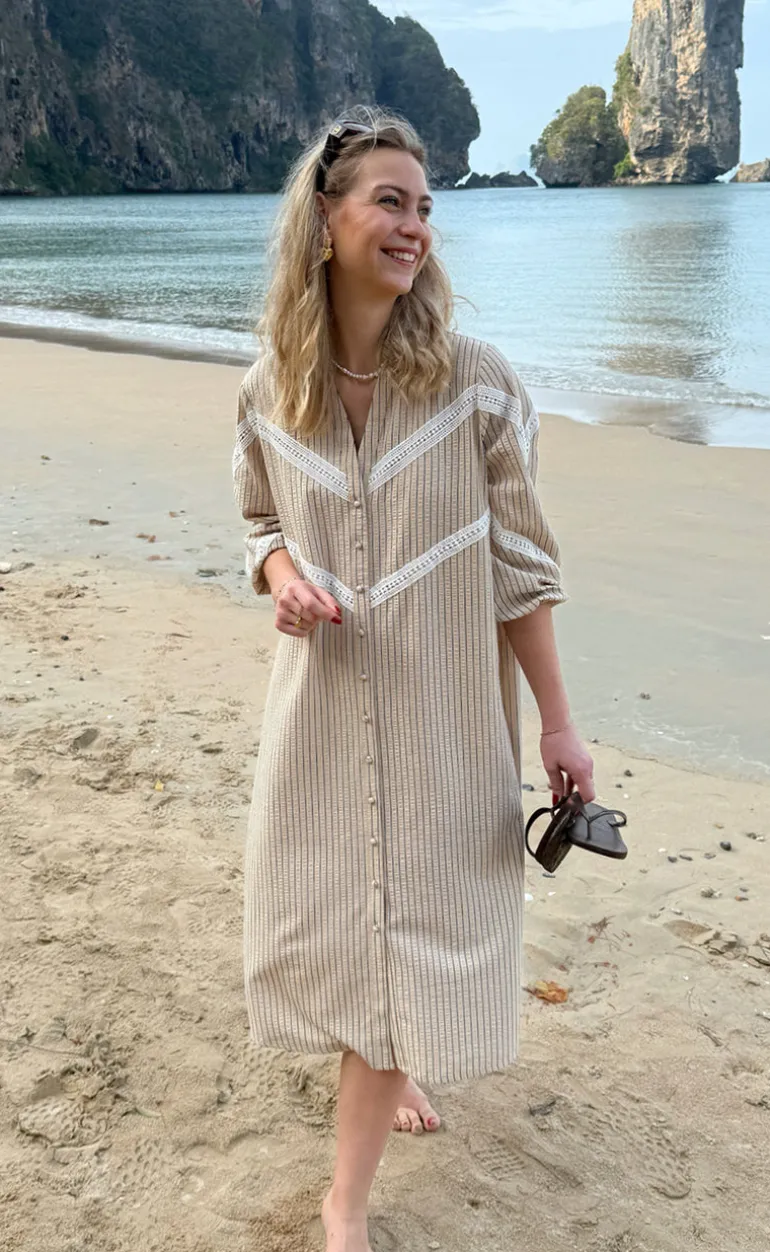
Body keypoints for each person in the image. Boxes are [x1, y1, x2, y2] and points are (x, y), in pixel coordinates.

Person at [233, 106, 595, 1252]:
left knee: (416, 919)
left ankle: (342, 1203)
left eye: (425, 208)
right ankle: (386, 1068)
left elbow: (522, 570)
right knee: (343, 915)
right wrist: (282, 573)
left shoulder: (477, 387)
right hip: (322, 711)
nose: (413, 227)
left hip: (444, 714)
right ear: (324, 219)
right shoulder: (267, 390)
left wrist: (557, 726)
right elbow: (256, 522)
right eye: (389, 201)